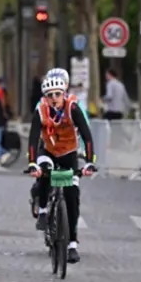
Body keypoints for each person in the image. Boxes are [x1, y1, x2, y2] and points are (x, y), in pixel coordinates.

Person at [26, 68, 97, 264]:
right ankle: (42, 211)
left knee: (73, 196)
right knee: (45, 172)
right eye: (50, 96)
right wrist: (32, 163)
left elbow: (86, 134)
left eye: (57, 94)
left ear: (64, 93)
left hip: (69, 153)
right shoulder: (40, 110)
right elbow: (32, 140)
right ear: (45, 97)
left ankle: (72, 243)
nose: (54, 98)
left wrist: (90, 161)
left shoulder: (72, 108)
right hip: (48, 151)